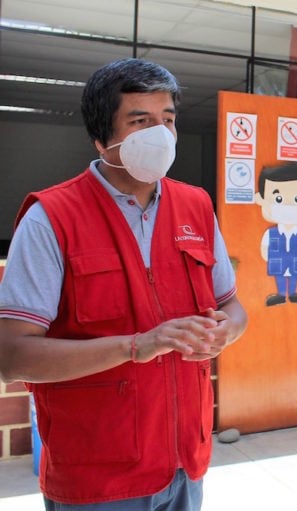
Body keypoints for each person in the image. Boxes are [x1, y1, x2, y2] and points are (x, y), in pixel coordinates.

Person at [0, 58, 248, 510]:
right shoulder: (51, 218)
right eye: (141, 121)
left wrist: (223, 332)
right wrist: (137, 345)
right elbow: (13, 357)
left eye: (168, 119)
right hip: (98, 476)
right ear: (102, 137)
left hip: (184, 464)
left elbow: (234, 307)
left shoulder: (196, 207)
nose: (161, 133)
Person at [254, 161, 297, 306]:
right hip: (278, 261)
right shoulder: (271, 232)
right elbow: (265, 245)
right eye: (278, 199)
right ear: (261, 200)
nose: (288, 207)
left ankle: (292, 293)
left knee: (294, 276)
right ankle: (280, 294)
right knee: (279, 276)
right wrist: (266, 254)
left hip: (295, 261)